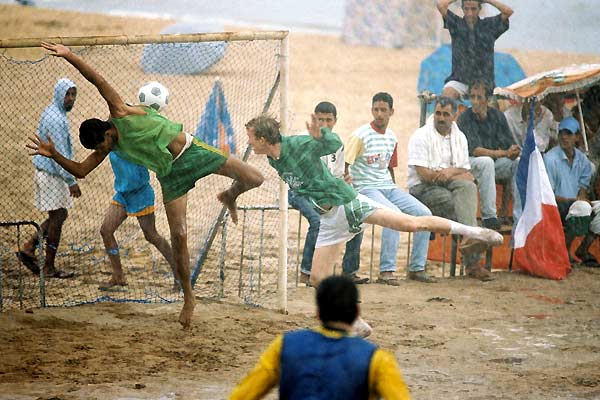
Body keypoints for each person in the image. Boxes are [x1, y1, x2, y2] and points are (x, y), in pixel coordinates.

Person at [28, 42, 264, 329]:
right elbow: (81, 170)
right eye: (101, 148)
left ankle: (229, 195)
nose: (106, 149)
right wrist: (55, 155)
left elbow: (98, 80)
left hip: (192, 151)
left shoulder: (120, 112)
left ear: (107, 130)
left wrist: (70, 56)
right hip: (170, 174)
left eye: (104, 143)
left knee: (254, 178)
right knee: (179, 235)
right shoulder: (105, 148)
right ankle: (189, 297)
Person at [245, 113, 503, 336]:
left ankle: (475, 231)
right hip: (328, 219)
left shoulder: (298, 144)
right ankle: (356, 324)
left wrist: (321, 134)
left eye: (251, 137)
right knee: (317, 277)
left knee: (410, 224)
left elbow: (335, 143)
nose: (248, 142)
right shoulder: (272, 159)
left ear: (263, 139)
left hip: (345, 203)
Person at [228, 275, 412, 400]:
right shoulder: (378, 359)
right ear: (356, 312)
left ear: (317, 313)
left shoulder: (284, 345)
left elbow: (241, 396)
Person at [345, 92, 436, 284]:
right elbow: (345, 164)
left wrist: (394, 189)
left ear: (391, 112)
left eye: (383, 110)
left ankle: (417, 268)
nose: (379, 114)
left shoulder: (392, 137)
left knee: (424, 213)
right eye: (376, 109)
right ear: (371, 110)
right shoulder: (360, 135)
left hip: (388, 187)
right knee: (393, 216)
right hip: (367, 188)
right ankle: (386, 271)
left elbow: (390, 167)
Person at [408, 97, 493, 281]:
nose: (441, 118)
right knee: (457, 205)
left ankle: (469, 243)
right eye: (438, 113)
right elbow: (423, 173)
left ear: (455, 115)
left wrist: (448, 172)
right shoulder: (421, 136)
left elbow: (464, 170)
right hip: (423, 188)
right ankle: (473, 260)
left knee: (468, 187)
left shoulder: (459, 136)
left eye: (446, 114)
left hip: (448, 182)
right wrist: (446, 174)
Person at [290, 101, 367, 286]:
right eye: (320, 119)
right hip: (300, 191)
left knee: (358, 217)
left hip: (325, 192)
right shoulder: (303, 139)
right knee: (318, 222)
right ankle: (306, 273)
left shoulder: (336, 143)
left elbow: (337, 174)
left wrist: (343, 183)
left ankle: (349, 271)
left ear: (335, 121)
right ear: (314, 119)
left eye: (328, 120)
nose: (324, 124)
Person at [17, 78, 81, 279]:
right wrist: (71, 181)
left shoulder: (54, 112)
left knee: (59, 215)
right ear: (58, 94)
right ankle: (48, 266)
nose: (70, 99)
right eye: (67, 94)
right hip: (52, 175)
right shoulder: (56, 118)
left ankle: (29, 248)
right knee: (58, 217)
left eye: (73, 94)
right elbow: (57, 153)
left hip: (49, 173)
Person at [99, 151, 180, 291]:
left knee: (151, 235)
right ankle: (118, 276)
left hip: (141, 193)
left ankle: (179, 274)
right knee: (106, 231)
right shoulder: (108, 144)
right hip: (122, 194)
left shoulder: (133, 140)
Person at [458, 81, 520, 230]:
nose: (474, 101)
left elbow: (508, 143)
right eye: (472, 97)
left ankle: (519, 214)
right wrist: (504, 153)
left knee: (517, 163)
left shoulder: (497, 116)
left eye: (479, 97)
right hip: (467, 164)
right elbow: (476, 150)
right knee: (486, 162)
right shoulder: (465, 118)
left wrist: (513, 150)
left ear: (487, 100)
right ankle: (489, 216)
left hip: (491, 164)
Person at [544, 117, 597, 265]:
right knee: (582, 207)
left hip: (575, 205)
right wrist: (576, 201)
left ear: (577, 137)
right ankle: (563, 250)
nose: (564, 137)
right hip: (557, 206)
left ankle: (583, 248)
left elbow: (583, 187)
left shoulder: (583, 160)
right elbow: (549, 196)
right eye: (561, 133)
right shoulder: (550, 159)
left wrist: (581, 196)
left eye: (568, 133)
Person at [436, 0, 513, 100]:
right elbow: (440, 5)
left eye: (473, 9)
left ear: (480, 9)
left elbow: (508, 12)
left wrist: (487, 0)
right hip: (460, 80)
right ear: (462, 9)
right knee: (446, 97)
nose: (470, 13)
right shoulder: (455, 23)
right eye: (466, 9)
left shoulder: (489, 26)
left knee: (482, 104)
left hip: (483, 82)